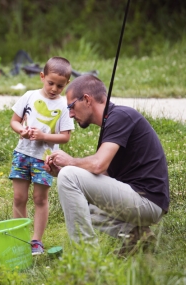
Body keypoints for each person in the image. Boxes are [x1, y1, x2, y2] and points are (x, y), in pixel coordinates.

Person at [44, 74, 169, 255]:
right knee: (78, 196)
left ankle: (86, 260)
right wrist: (60, 171)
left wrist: (70, 164)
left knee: (69, 176)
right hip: (138, 199)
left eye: (71, 106)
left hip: (147, 201)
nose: (70, 114)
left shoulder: (120, 116)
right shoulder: (111, 123)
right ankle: (138, 237)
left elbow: (98, 165)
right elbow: (104, 177)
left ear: (87, 99)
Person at [9, 56, 74, 255]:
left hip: (45, 159)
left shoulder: (63, 106)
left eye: (60, 86)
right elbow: (15, 121)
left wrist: (44, 136)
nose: (54, 89)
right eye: (50, 83)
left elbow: (65, 137)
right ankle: (18, 237)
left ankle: (36, 240)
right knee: (19, 197)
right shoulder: (29, 96)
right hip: (22, 154)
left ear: (67, 84)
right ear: (42, 76)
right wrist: (22, 131)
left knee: (40, 199)